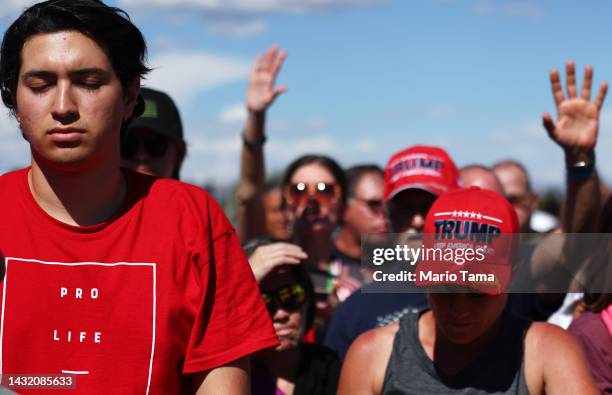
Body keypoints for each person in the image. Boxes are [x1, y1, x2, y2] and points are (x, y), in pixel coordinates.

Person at [0, 1, 277, 393]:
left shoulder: (192, 218)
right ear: (14, 100)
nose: (63, 107)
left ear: (130, 96)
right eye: (41, 85)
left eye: (89, 82)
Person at [338, 187, 599, 395]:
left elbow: (574, 242)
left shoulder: (547, 351)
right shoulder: (375, 354)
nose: (459, 308)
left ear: (514, 274)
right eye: (444, 287)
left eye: (478, 292)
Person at [323, 146, 459, 360]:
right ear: (389, 217)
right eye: (405, 209)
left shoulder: (496, 296)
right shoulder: (355, 310)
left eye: (430, 207)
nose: (417, 221)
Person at [245, 238, 341, 395]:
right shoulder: (231, 372)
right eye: (263, 301)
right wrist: (245, 279)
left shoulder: (330, 369)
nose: (281, 314)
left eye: (292, 295)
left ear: (308, 300)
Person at [120, 87, 187, 179]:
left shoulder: (198, 194)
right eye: (128, 145)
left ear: (178, 155)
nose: (141, 156)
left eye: (155, 145)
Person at [333, 165, 387, 267]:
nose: (385, 213)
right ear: (343, 208)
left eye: (389, 205)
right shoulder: (314, 264)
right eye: (374, 204)